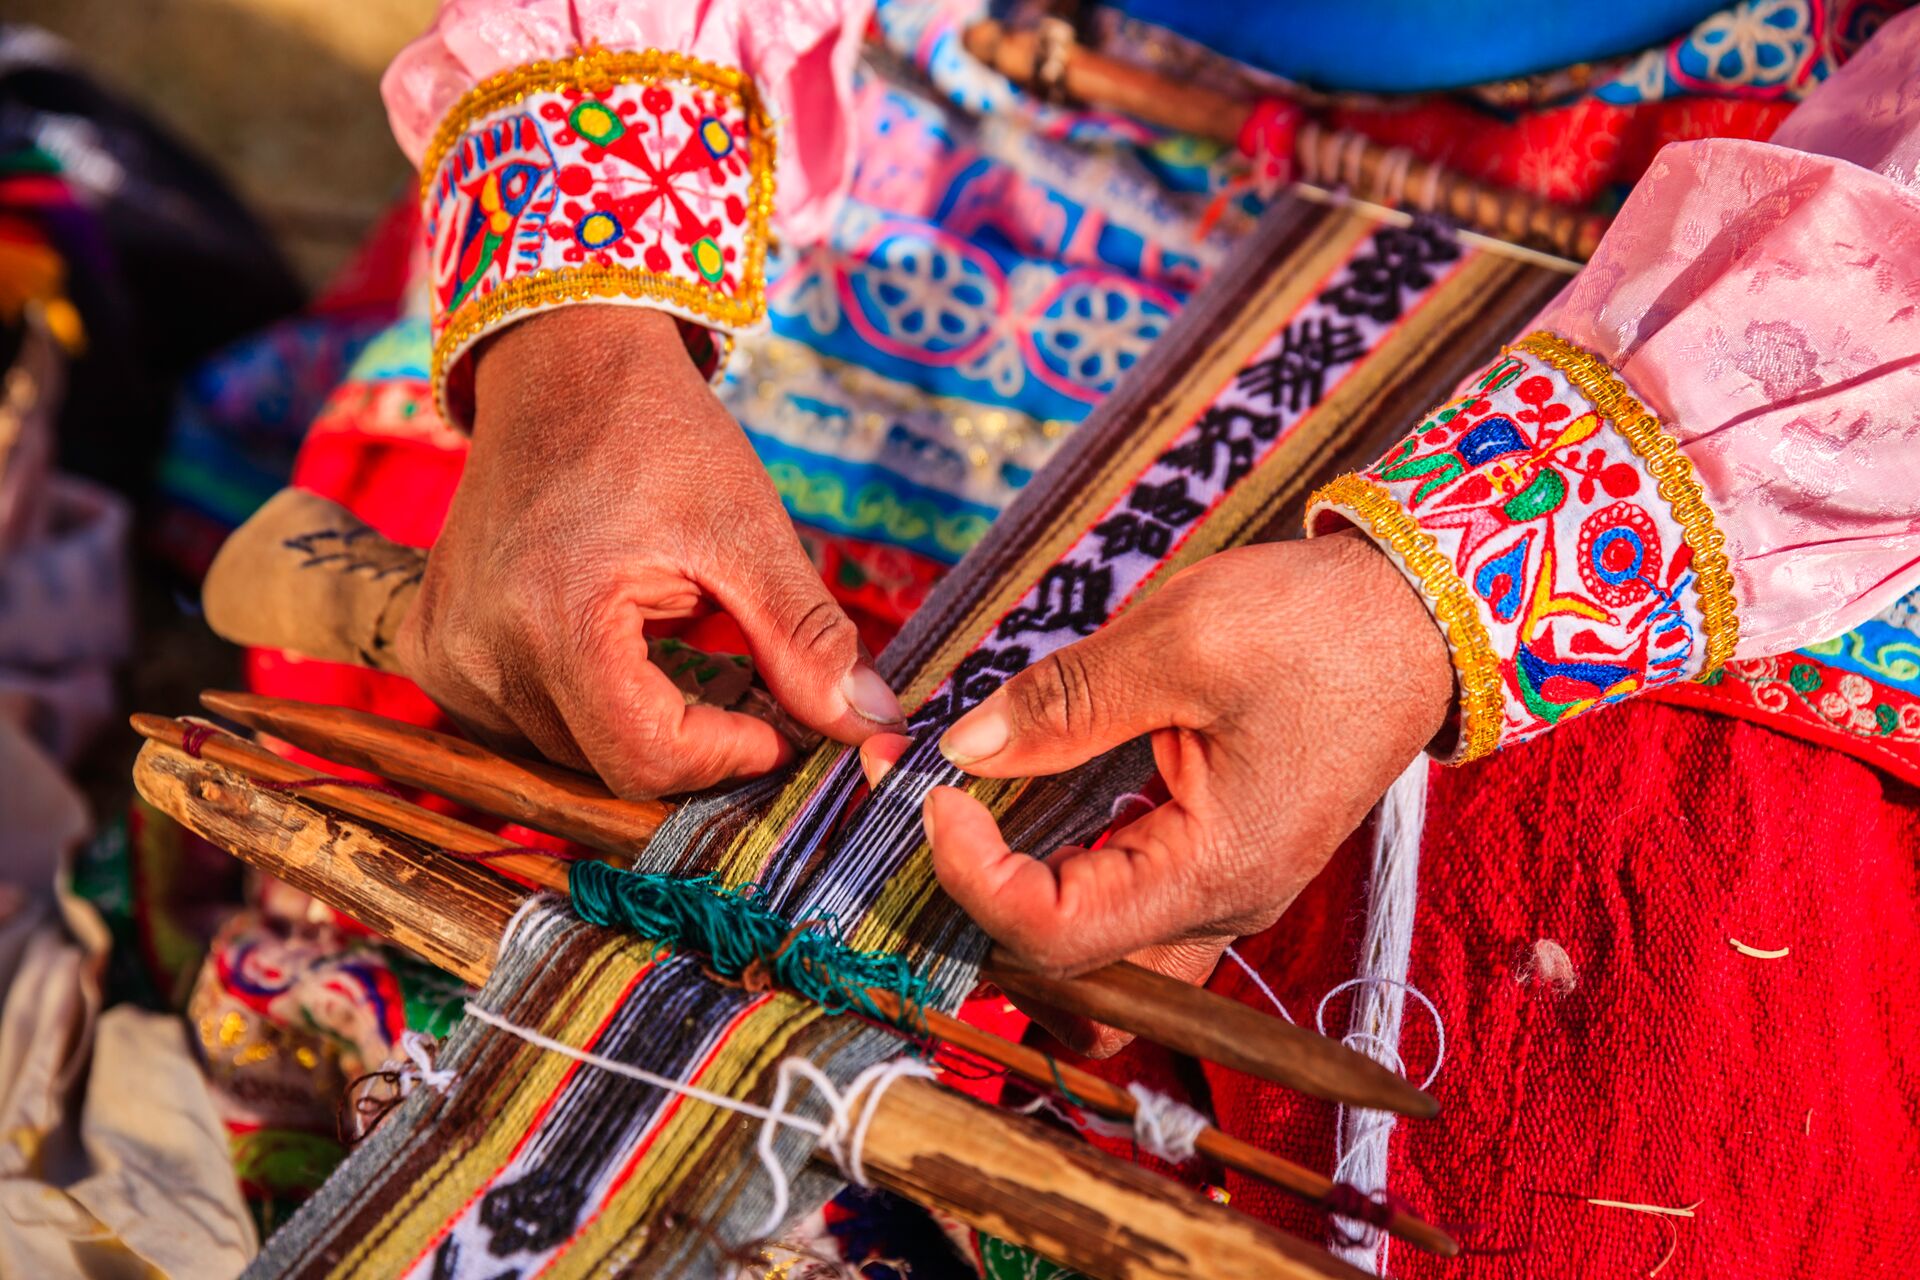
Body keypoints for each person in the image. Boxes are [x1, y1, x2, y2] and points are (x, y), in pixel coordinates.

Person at [206, 0, 1920, 1272]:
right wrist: (579, 336)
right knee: (520, 619)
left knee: (1625, 1080)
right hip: (996, 84)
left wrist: (1444, 595)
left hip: (1760, 239)